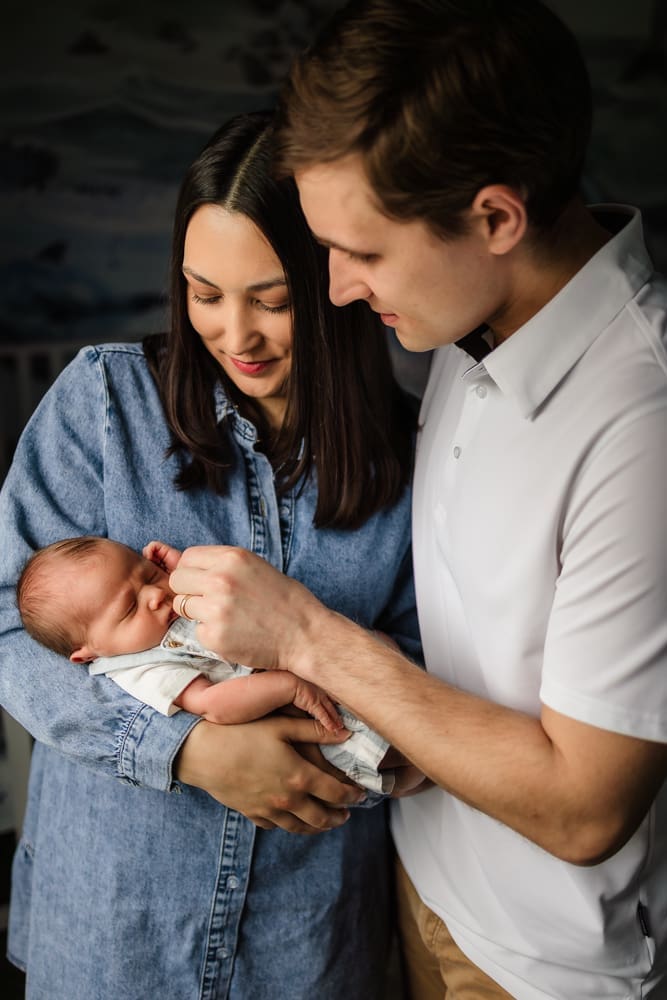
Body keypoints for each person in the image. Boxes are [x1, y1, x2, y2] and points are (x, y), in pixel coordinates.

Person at [165, 3, 667, 998]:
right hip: (416, 883)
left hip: (540, 965)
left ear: (494, 220)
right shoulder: (470, 316)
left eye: (362, 252)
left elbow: (583, 810)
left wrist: (303, 634)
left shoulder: (641, 424)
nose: (338, 291)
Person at [0, 109, 423, 999]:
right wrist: (182, 747)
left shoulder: (410, 450)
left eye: (272, 299)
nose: (235, 336)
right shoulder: (104, 403)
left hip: (303, 934)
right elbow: (9, 622)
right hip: (114, 921)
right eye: (204, 294)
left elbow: (426, 664)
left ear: (338, 279)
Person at [16, 534, 399, 793]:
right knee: (393, 751)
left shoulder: (167, 609)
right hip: (306, 715)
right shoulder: (140, 669)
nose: (154, 596)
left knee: (390, 668)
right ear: (88, 652)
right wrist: (290, 687)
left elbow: (227, 596)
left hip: (327, 664)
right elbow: (213, 704)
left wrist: (183, 569)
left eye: (148, 574)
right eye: (130, 608)